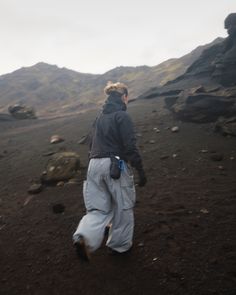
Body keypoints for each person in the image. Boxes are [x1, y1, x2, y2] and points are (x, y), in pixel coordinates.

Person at [72, 81, 147, 261]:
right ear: (124, 97)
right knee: (123, 207)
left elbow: (90, 143)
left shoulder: (99, 117)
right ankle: (119, 247)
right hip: (114, 164)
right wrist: (140, 170)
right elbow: (130, 146)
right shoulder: (122, 116)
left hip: (93, 166)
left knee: (98, 208)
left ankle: (84, 236)